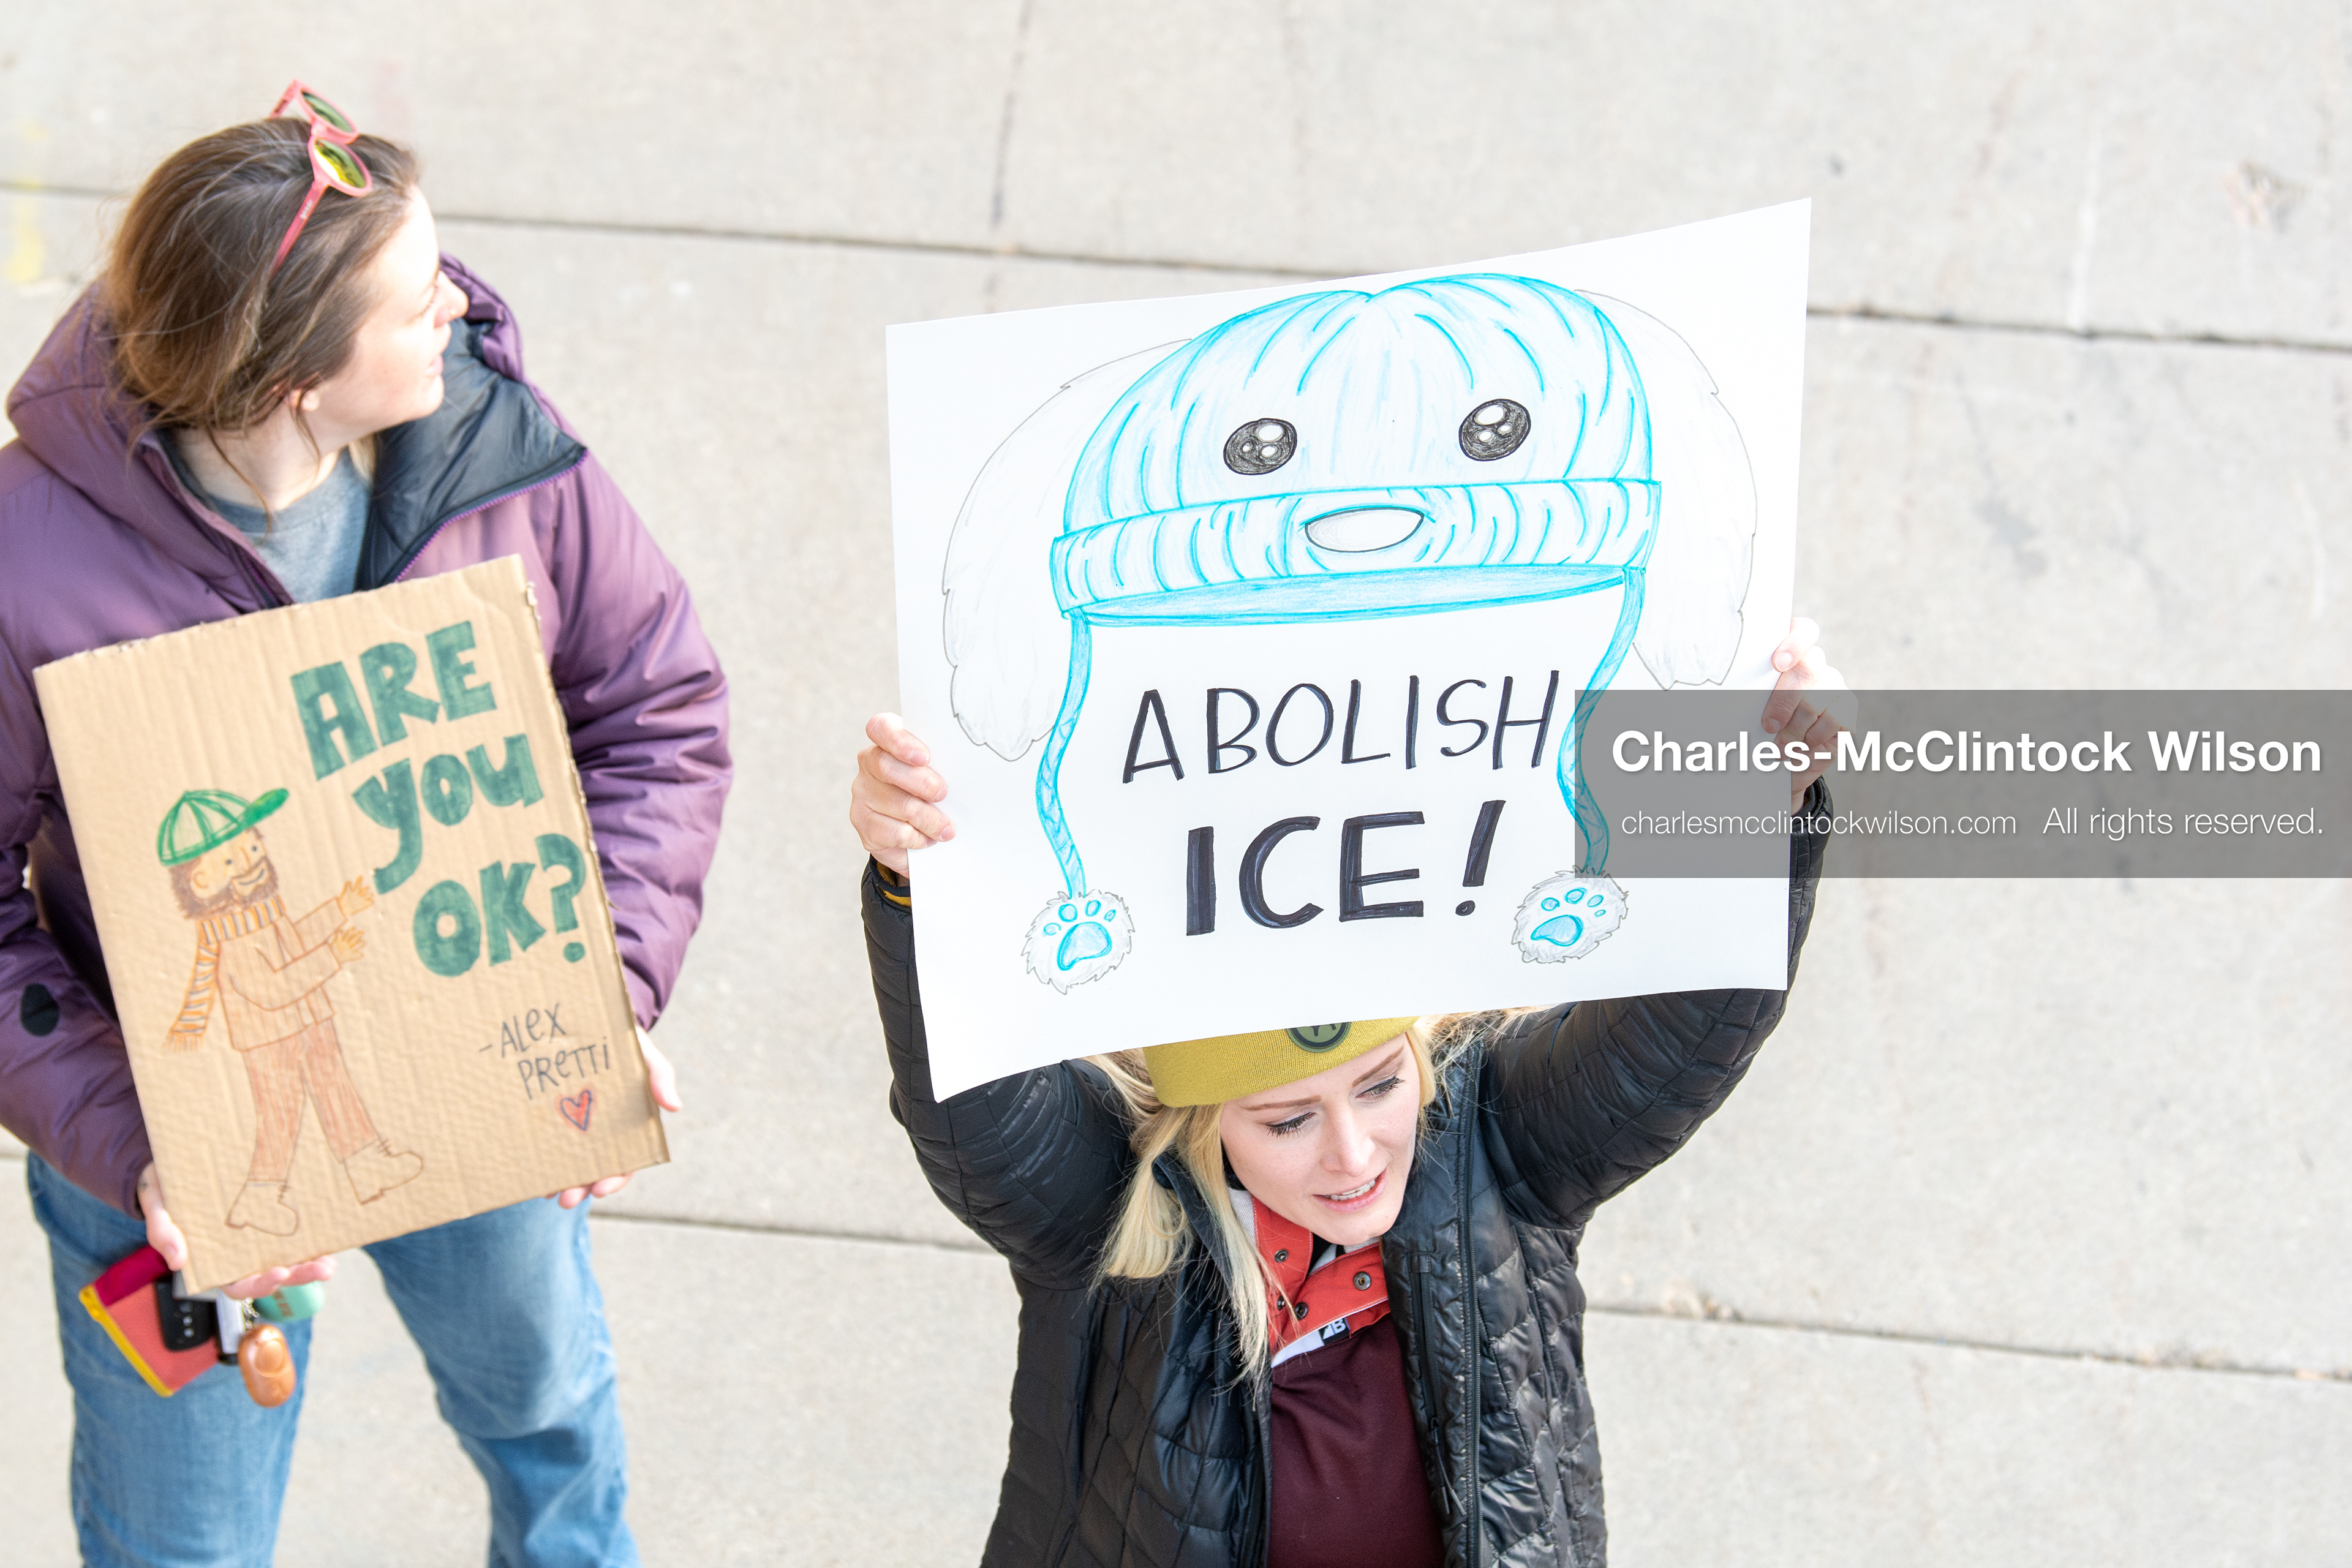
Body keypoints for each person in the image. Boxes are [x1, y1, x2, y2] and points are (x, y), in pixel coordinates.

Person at [0, 85, 729, 1567]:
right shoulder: (26, 561)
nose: (460, 305)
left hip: (484, 1087)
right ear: (296, 381)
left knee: (549, 1424)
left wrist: (605, 985)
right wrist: (136, 1144)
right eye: (413, 299)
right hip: (183, 1156)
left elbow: (655, 707)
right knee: (178, 1536)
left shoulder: (494, 447)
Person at [850, 624, 1841, 1567]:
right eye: (1285, 1120)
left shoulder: (1492, 1149)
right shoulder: (1120, 1214)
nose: (1357, 1155)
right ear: (1201, 1121)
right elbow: (973, 1109)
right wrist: (919, 881)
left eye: (1378, 1087)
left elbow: (1685, 1031)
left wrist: (1773, 808)